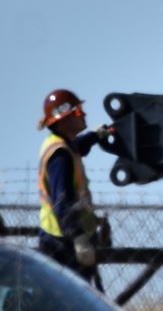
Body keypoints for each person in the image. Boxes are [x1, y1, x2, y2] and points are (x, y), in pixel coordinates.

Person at [37, 89, 109, 286]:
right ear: (63, 120)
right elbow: (62, 201)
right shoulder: (59, 156)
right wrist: (78, 239)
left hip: (61, 238)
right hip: (62, 243)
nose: (83, 114)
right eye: (77, 112)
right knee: (71, 301)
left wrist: (95, 136)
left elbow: (78, 145)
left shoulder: (63, 144)